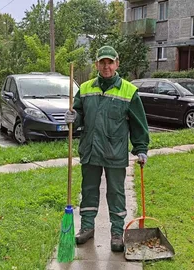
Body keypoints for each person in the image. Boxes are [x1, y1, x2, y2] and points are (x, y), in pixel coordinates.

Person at [64, 45, 150, 252]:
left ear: (117, 64)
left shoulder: (129, 91)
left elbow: (139, 123)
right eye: (102, 62)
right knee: (89, 191)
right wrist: (72, 119)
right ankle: (86, 227)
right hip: (91, 150)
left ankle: (117, 233)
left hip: (115, 152)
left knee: (116, 194)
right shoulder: (85, 89)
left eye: (110, 62)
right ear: (96, 65)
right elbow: (77, 117)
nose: (106, 66)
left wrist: (141, 147)